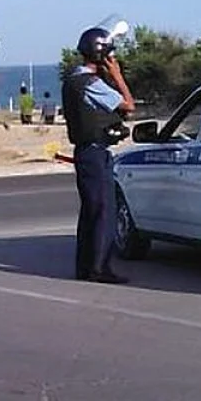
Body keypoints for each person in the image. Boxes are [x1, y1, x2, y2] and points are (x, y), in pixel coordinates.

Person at [61, 26, 135, 284]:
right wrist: (117, 76)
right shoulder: (92, 83)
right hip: (95, 153)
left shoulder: (73, 79)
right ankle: (99, 267)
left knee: (90, 211)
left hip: (84, 151)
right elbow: (128, 105)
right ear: (102, 55)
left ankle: (85, 266)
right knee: (104, 210)